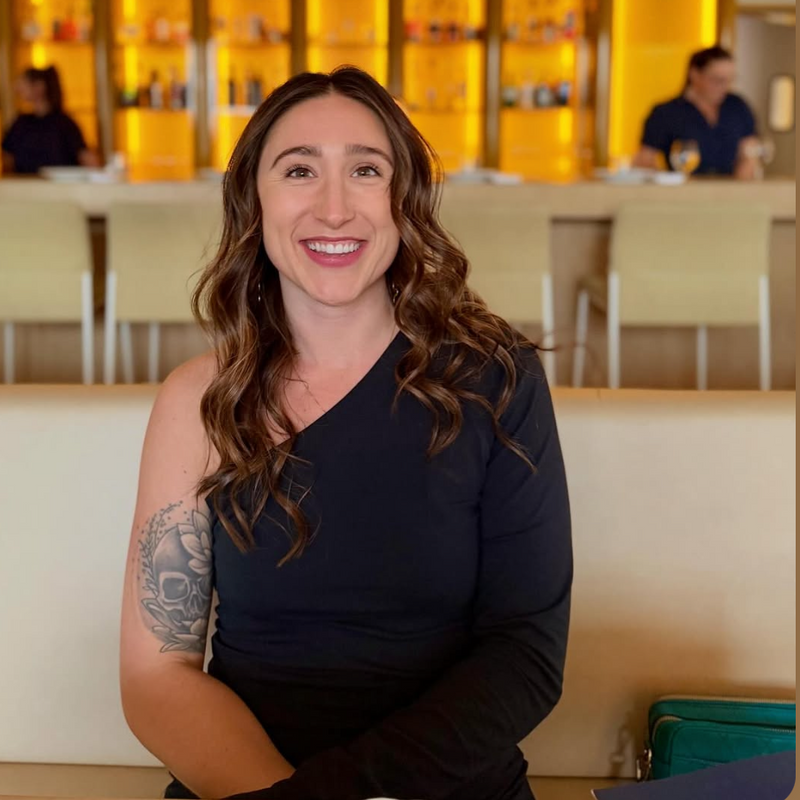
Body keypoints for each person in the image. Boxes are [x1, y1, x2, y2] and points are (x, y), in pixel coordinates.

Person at [119, 66, 572, 800]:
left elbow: (526, 652)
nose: (334, 208)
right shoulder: (197, 399)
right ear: (253, 202)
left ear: (404, 200)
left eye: (366, 170)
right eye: (299, 170)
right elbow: (155, 675)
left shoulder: (498, 379)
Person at [632, 46, 760, 179]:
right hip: (683, 193)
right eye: (718, 80)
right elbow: (645, 161)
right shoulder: (665, 113)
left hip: (730, 192)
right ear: (695, 75)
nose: (725, 87)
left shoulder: (737, 107)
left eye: (730, 80)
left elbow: (750, 154)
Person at [1, 65, 100, 174]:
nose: (17, 88)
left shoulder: (64, 124)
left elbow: (87, 159)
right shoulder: (21, 123)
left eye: (23, 83)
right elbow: (7, 159)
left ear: (40, 86)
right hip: (25, 188)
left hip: (58, 189)